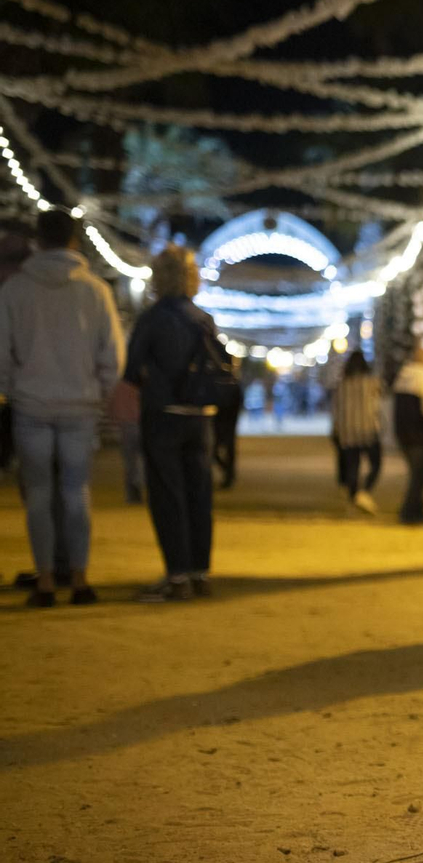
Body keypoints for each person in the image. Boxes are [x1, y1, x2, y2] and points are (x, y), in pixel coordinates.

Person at [0, 209, 123, 607]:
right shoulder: (95, 290)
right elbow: (112, 352)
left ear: (38, 240)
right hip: (80, 405)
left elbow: (2, 350)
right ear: (74, 240)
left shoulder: (15, 290)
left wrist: (10, 390)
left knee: (37, 493)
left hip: (31, 404)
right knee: (76, 490)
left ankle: (47, 581)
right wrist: (103, 391)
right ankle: (81, 579)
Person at [121, 245, 223, 603]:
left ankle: (177, 577)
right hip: (200, 417)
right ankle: (200, 573)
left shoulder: (152, 318)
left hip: (163, 415)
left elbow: (131, 370)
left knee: (168, 495)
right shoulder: (204, 319)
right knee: (200, 494)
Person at [392, 345, 423, 525]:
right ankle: (410, 511)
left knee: (416, 474)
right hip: (420, 436)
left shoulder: (403, 375)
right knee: (419, 476)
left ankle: (417, 510)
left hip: (403, 434)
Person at [331, 350, 383, 514]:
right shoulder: (372, 383)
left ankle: (353, 498)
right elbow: (378, 405)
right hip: (368, 430)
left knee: (353, 466)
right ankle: (364, 492)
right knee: (376, 464)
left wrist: (336, 430)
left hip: (347, 432)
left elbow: (336, 410)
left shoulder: (342, 385)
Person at [212, 356, 243, 488]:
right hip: (229, 424)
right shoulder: (235, 386)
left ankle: (228, 473)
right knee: (227, 450)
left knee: (214, 450)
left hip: (220, 424)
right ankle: (229, 474)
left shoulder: (219, 386)